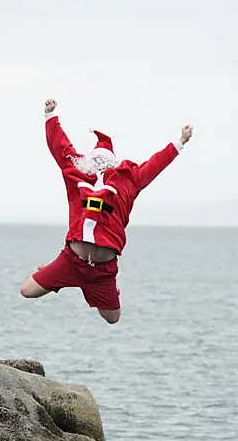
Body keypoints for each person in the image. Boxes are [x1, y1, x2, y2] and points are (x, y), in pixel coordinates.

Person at [20, 98, 193, 324]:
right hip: (73, 260)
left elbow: (154, 166)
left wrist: (179, 142)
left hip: (103, 270)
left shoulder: (128, 182)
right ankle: (61, 275)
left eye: (104, 160)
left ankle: (86, 286)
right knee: (26, 291)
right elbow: (60, 148)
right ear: (89, 160)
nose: (100, 163)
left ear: (113, 163)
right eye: (96, 159)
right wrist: (50, 116)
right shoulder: (76, 174)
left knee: (113, 318)